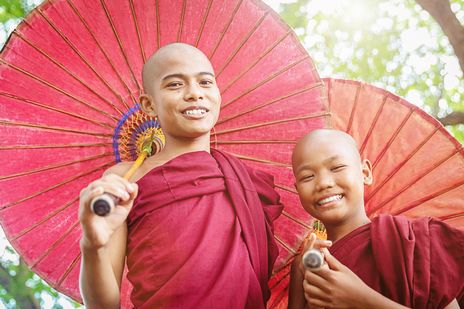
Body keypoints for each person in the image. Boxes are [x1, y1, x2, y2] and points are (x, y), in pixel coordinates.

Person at [78, 43, 283, 308]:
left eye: (205, 82)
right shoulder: (125, 179)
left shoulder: (244, 182)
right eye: (175, 85)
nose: (195, 93)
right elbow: (103, 305)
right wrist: (92, 245)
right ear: (149, 104)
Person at [288, 128, 463, 309]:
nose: (324, 183)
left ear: (365, 173)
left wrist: (361, 300)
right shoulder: (307, 262)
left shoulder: (413, 242)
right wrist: (303, 274)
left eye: (337, 167)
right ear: (297, 189)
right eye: (307, 176)